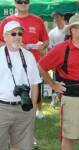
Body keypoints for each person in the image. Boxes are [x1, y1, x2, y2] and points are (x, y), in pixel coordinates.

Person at [38, 13, 79, 150]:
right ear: (73, 30)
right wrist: (53, 84)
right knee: (69, 136)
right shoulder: (62, 49)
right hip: (71, 97)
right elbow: (41, 66)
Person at [0, 0, 49, 119]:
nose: (23, 4)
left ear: (29, 3)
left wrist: (42, 45)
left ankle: (37, 110)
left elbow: (46, 41)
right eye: (19, 1)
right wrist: (14, 46)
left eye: (25, 1)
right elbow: (1, 41)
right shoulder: (7, 21)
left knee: (34, 86)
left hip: (33, 61)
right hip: (11, 62)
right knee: (13, 88)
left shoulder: (37, 20)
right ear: (15, 4)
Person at [0, 21, 41, 150]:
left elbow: (35, 83)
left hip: (24, 108)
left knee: (22, 146)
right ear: (5, 36)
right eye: (13, 34)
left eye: (20, 33)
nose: (17, 37)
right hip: (2, 108)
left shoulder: (29, 56)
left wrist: (33, 108)